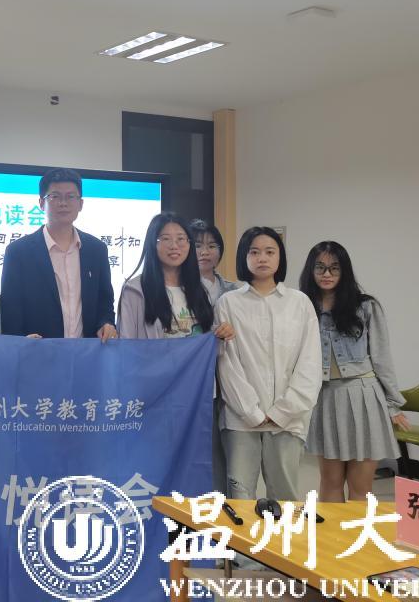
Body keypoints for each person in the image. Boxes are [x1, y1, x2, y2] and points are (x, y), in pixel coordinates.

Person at [117, 212, 233, 494]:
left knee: (197, 470)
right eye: (165, 239)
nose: (175, 246)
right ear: (152, 244)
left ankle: (194, 522)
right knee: (157, 469)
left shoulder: (201, 290)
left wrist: (222, 335)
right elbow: (127, 350)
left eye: (182, 239)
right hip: (157, 399)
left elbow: (208, 345)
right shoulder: (135, 290)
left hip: (198, 398)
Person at [216, 226, 322, 501]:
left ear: (280, 257)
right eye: (254, 252)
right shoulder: (228, 303)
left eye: (269, 252)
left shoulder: (299, 303)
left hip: (288, 419)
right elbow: (227, 364)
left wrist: (284, 411)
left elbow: (310, 363)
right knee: (239, 495)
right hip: (241, 420)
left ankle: (282, 535)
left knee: (285, 496)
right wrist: (250, 412)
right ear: (244, 257)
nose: (262, 258)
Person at [300, 241, 409, 502]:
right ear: (311, 271)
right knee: (330, 483)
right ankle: (332, 531)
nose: (327, 274)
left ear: (344, 270)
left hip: (363, 397)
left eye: (334, 268)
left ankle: (358, 530)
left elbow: (382, 358)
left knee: (361, 488)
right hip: (325, 398)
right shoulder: (302, 308)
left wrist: (393, 404)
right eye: (320, 267)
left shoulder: (366, 307)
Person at [0, 168, 116, 341]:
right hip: (38, 352)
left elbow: (104, 301)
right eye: (55, 196)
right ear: (41, 203)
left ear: (81, 204)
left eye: (71, 196)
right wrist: (20, 343)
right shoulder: (18, 252)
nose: (63, 203)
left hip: (87, 352)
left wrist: (106, 323)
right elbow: (10, 310)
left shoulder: (97, 249)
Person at [189, 218, 239, 305]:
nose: (204, 252)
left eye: (211, 246)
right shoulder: (179, 288)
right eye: (197, 246)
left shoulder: (232, 290)